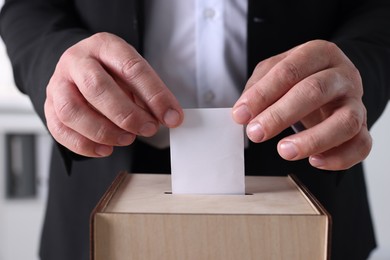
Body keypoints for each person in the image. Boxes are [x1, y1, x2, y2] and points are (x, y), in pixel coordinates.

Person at [1, 0, 390, 259]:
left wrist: (353, 74)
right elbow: (28, 7)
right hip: (104, 194)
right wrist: (56, 64)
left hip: (303, 195)